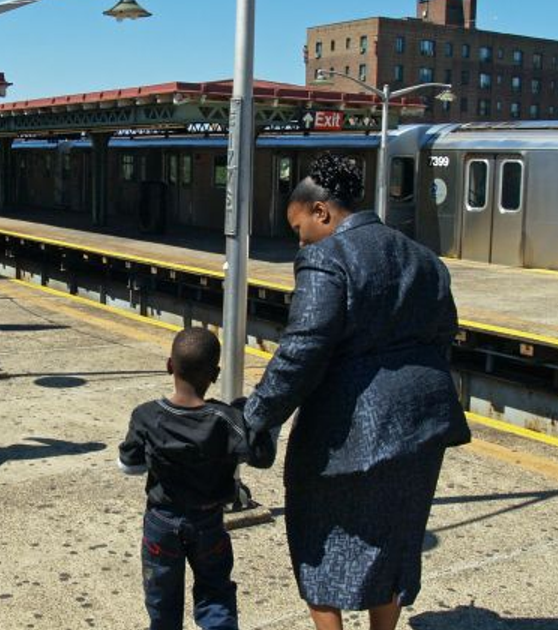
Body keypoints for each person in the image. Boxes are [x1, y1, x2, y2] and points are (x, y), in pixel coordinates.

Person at [242, 154, 471, 630]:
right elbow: (445, 332)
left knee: (316, 542)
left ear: (322, 212)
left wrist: (257, 415)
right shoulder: (423, 259)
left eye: (299, 227)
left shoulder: (326, 257)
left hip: (346, 432)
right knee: (393, 538)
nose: (299, 239)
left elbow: (303, 348)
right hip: (421, 424)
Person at [119, 328, 276, 630]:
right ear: (215, 374)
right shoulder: (226, 418)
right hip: (208, 522)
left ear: (169, 365)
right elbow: (259, 456)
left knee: (162, 601)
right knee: (215, 593)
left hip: (161, 521)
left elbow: (128, 465)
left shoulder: (146, 416)